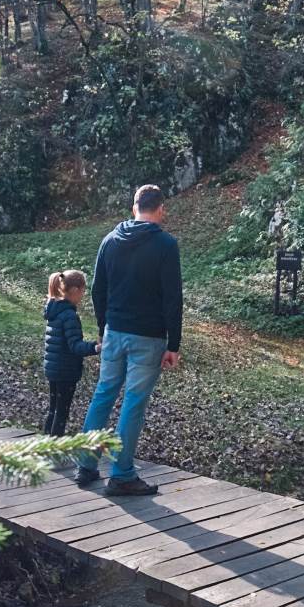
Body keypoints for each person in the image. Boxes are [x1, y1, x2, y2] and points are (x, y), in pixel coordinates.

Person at [76, 184, 182, 496]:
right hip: (147, 337)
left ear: (134, 207)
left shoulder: (110, 240)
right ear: (160, 209)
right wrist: (173, 344)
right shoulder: (165, 245)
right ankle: (121, 474)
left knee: (104, 393)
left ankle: (86, 464)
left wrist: (104, 328)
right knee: (133, 403)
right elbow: (172, 299)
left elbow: (98, 290)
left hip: (114, 331)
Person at [41, 269, 98, 435]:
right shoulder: (69, 315)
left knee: (54, 409)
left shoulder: (53, 309)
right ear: (75, 290)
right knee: (62, 411)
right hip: (65, 370)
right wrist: (96, 347)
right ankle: (55, 449)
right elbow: (75, 346)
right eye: (83, 291)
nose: (83, 295)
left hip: (53, 368)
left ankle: (45, 445)